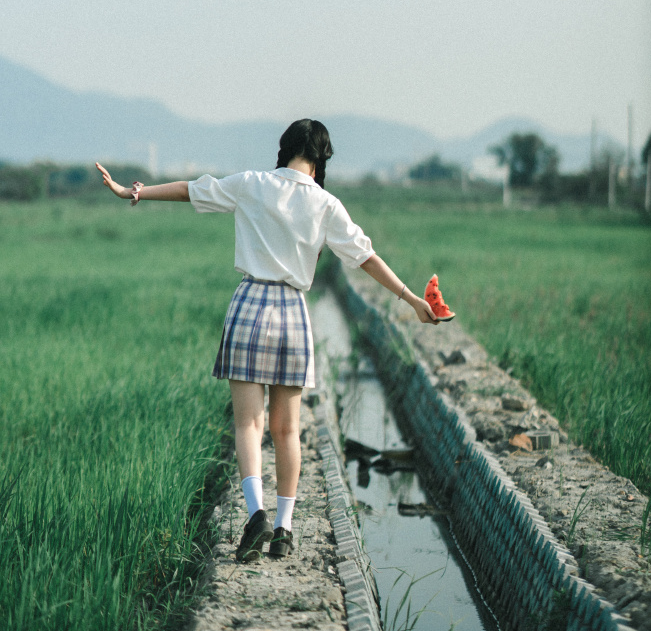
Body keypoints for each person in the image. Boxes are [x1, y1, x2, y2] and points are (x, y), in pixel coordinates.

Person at [95, 118, 442, 564]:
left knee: (248, 425)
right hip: (294, 313)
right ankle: (284, 529)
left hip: (249, 305)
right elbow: (366, 257)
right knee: (287, 429)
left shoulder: (253, 184)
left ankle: (255, 512)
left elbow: (190, 189)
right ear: (320, 160)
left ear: (285, 150)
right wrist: (412, 299)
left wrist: (134, 192)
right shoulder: (326, 204)